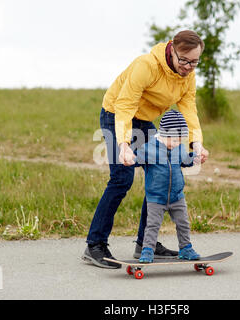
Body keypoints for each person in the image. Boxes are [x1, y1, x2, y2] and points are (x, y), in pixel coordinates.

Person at [82, 30, 209, 269]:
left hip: (145, 121)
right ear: (172, 50)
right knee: (122, 179)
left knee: (158, 175)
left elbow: (189, 110)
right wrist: (123, 145)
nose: (188, 67)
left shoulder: (187, 76)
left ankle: (145, 244)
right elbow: (125, 104)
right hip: (116, 114)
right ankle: (95, 245)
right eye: (184, 60)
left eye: (194, 62)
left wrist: (196, 144)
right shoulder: (147, 65)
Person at [135, 110, 200, 263]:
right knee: (152, 226)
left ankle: (185, 248)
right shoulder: (149, 149)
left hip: (177, 196)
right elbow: (136, 158)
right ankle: (148, 250)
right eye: (175, 140)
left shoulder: (178, 148)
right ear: (163, 135)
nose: (178, 144)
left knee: (183, 223)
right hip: (156, 197)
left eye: (180, 140)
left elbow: (184, 160)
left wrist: (194, 158)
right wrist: (129, 157)